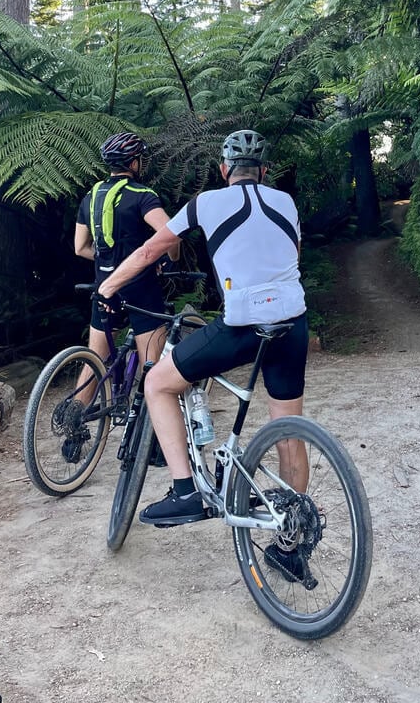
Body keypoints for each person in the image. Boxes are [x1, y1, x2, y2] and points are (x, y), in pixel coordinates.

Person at [94, 129, 310, 579]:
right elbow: (290, 253)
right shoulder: (286, 203)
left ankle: (184, 489)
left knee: (157, 382)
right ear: (265, 171)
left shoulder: (207, 202)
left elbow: (154, 248)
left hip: (242, 324)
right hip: (292, 322)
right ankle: (290, 546)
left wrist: (109, 286)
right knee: (288, 431)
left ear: (223, 169)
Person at [74, 132, 180, 439]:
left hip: (103, 286)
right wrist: (170, 259)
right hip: (139, 288)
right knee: (153, 365)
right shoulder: (142, 194)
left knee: (96, 359)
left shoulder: (90, 197)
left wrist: (108, 263)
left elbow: (80, 247)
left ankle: (73, 425)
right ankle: (148, 439)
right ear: (134, 162)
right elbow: (169, 234)